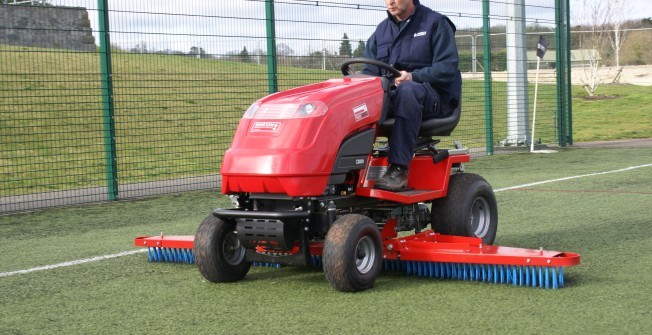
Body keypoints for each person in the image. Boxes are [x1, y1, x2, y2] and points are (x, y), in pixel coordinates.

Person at [362, 0, 462, 191]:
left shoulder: (436, 23)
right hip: (393, 94)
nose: (390, 2)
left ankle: (399, 168)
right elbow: (370, 71)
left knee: (408, 90)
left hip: (432, 96)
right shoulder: (381, 31)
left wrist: (413, 76)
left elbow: (447, 68)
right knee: (356, 98)